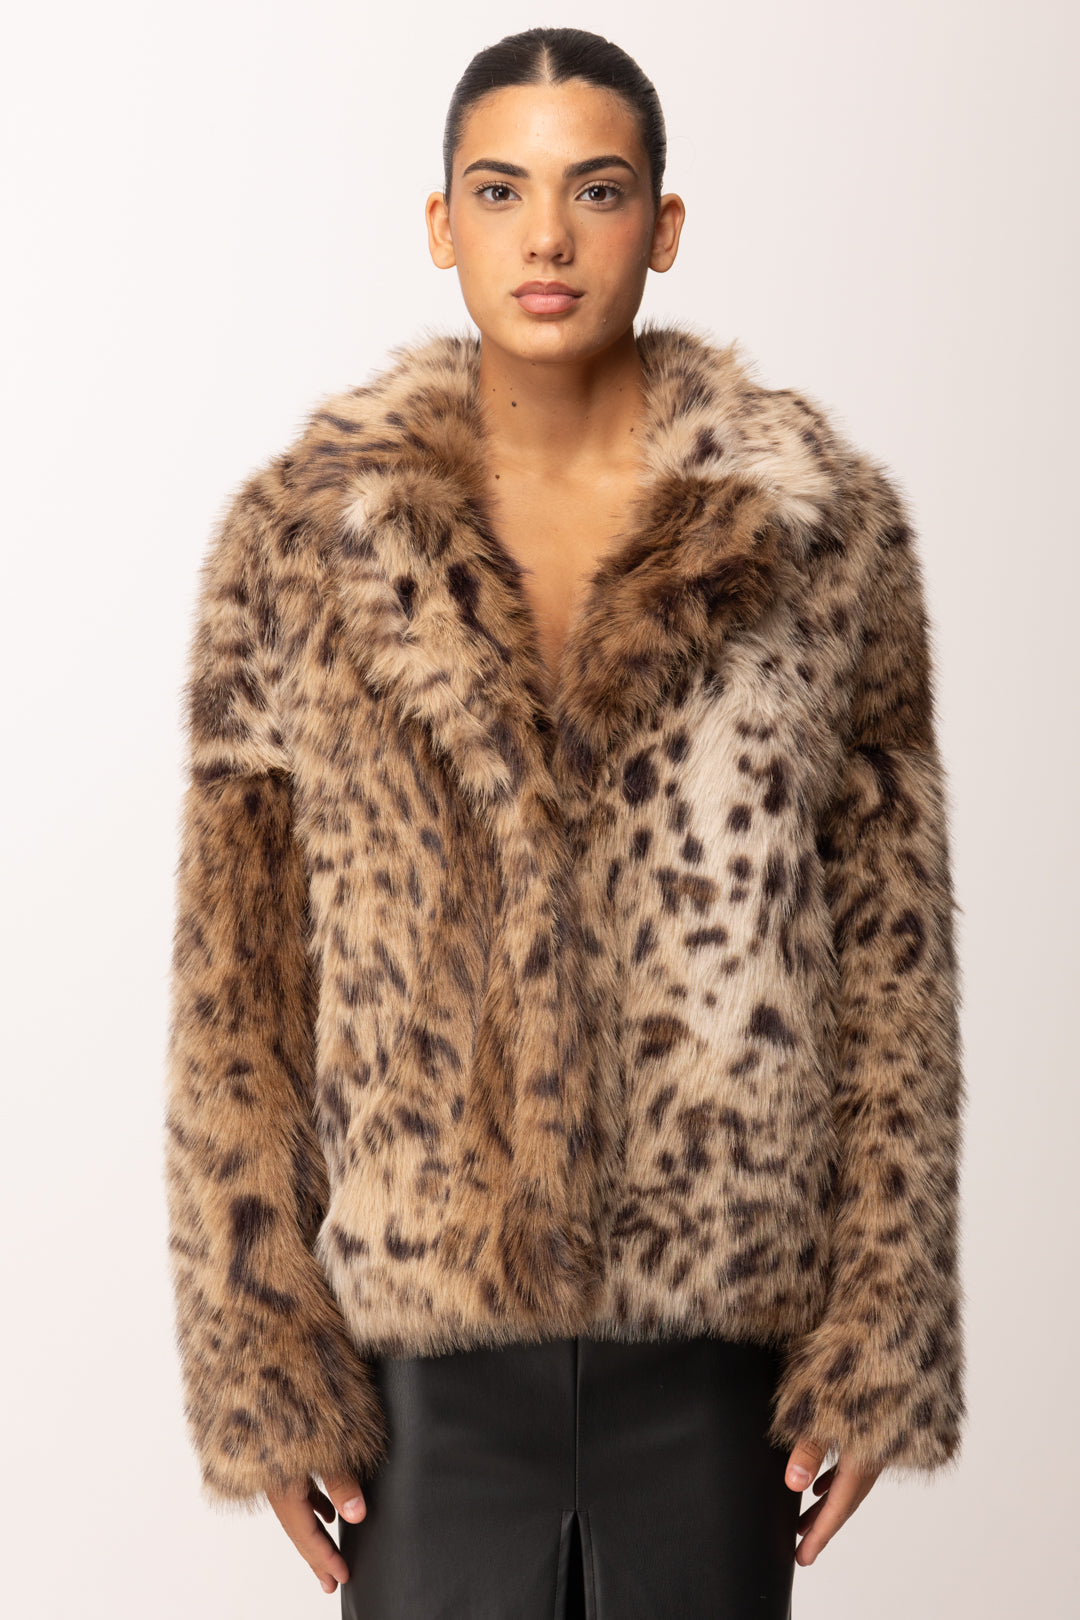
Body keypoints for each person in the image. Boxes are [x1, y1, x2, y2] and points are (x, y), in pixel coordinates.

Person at [164, 25, 966, 1619]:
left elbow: (894, 951)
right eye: (500, 190)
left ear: (663, 226)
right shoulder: (305, 542)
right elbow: (233, 984)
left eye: (596, 191)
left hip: (715, 1367)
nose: (547, 237)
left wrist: (886, 1319)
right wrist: (256, 1354)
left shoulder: (816, 531)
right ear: (440, 222)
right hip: (422, 1387)